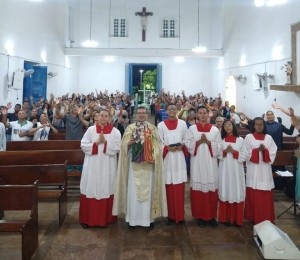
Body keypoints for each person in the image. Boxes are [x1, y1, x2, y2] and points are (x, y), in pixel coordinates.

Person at [112, 106, 168, 228]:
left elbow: (159, 146)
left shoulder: (153, 129)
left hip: (149, 167)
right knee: (133, 192)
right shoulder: (130, 129)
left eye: (144, 113)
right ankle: (132, 219)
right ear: (136, 115)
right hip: (134, 167)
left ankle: (148, 220)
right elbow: (123, 147)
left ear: (147, 115)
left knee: (149, 192)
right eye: (139, 113)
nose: (141, 115)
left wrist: (154, 156)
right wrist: (129, 143)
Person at [79, 110, 121, 228]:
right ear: (97, 117)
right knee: (90, 186)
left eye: (106, 116)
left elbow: (117, 148)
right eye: (101, 115)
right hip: (92, 165)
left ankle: (106, 218)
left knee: (106, 186)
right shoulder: (91, 130)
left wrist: (106, 143)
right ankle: (88, 219)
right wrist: (96, 143)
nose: (103, 118)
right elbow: (83, 145)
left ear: (109, 118)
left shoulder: (115, 132)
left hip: (108, 166)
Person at [185, 105, 221, 228]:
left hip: (211, 164)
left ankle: (211, 216)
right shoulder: (192, 129)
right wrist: (199, 142)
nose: (202, 115)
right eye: (200, 113)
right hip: (197, 163)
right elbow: (188, 144)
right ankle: (200, 216)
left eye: (204, 113)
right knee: (198, 189)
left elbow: (219, 147)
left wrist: (209, 142)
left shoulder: (215, 130)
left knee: (211, 189)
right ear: (197, 115)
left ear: (208, 114)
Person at [158, 104, 188, 225]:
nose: (172, 111)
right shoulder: (161, 125)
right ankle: (170, 216)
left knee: (180, 189)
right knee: (169, 188)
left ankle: (180, 216)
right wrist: (165, 148)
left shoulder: (182, 124)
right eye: (169, 109)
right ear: (166, 111)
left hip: (179, 158)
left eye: (174, 109)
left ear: (177, 111)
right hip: (168, 159)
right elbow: (159, 141)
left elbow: (186, 138)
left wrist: (182, 145)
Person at [244, 117, 277, 224]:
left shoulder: (268, 138)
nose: (259, 126)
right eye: (257, 124)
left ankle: (266, 217)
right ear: (253, 125)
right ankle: (254, 216)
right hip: (253, 170)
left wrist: (265, 151)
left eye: (261, 124)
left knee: (265, 194)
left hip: (265, 170)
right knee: (254, 193)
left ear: (264, 126)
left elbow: (273, 152)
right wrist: (257, 150)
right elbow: (245, 152)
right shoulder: (249, 137)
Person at [218, 119, 246, 227]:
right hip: (225, 168)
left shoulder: (240, 140)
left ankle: (237, 219)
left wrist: (234, 152)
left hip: (236, 169)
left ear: (233, 126)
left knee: (236, 189)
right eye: (225, 126)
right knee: (225, 188)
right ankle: (225, 218)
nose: (227, 127)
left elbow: (245, 155)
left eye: (229, 125)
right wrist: (225, 151)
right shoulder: (221, 139)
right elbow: (217, 153)